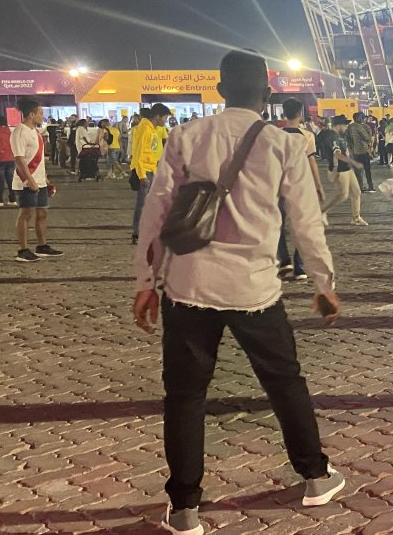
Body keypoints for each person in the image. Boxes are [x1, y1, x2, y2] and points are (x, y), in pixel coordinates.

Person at [131, 51, 344, 535]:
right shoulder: (282, 144)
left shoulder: (185, 136)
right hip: (255, 289)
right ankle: (314, 476)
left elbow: (156, 215)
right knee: (284, 382)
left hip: (189, 285)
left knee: (184, 396)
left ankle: (184, 507)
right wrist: (323, 284)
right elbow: (307, 223)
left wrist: (146, 284)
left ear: (220, 89)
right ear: (266, 95)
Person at [10, 99, 64, 263]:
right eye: (40, 113)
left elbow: (38, 159)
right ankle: (23, 249)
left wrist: (44, 179)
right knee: (26, 214)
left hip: (40, 180)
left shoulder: (36, 132)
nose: (43, 116)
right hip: (26, 181)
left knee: (42, 213)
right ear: (31, 114)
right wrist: (30, 179)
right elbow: (19, 159)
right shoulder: (20, 131)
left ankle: (42, 246)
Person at [278, 98, 325, 282]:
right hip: (301, 184)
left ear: (284, 113)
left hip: (279, 184)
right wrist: (319, 186)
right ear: (300, 114)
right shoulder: (307, 136)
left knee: (278, 225)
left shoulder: (276, 134)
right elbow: (311, 161)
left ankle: (283, 260)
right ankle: (299, 267)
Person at [130, 104, 171, 245]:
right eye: (165, 118)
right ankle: (138, 233)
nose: (165, 121)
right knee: (142, 204)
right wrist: (142, 175)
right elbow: (139, 153)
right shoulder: (145, 130)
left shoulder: (152, 129)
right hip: (144, 170)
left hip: (151, 169)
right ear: (157, 116)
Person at [320, 116, 367, 226]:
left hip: (347, 168)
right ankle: (321, 211)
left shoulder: (339, 136)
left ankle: (356, 218)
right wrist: (354, 162)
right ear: (339, 125)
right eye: (345, 124)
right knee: (342, 195)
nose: (346, 127)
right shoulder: (332, 136)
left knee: (356, 192)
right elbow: (337, 154)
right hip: (340, 169)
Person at [346, 111, 376, 193]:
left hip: (355, 152)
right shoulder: (360, 127)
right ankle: (370, 186)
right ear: (359, 118)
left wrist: (352, 147)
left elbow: (347, 138)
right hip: (363, 151)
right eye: (362, 118)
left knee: (358, 171)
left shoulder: (350, 126)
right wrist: (369, 133)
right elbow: (367, 138)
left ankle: (360, 187)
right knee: (367, 170)